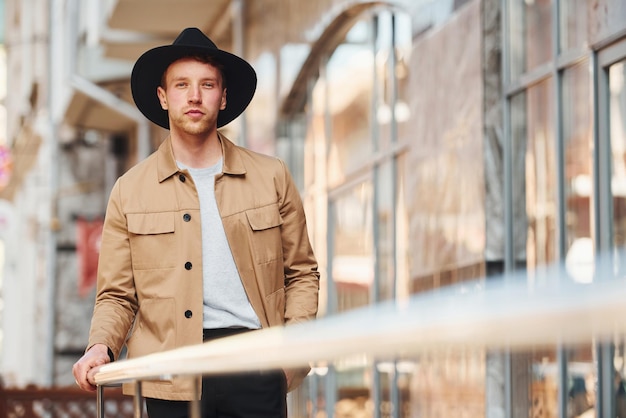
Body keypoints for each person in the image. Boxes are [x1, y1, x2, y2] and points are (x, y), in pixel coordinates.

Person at [72, 27, 320, 418]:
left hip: (255, 364)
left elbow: (302, 273)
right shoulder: (129, 190)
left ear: (223, 97)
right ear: (163, 96)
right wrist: (99, 346)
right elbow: (117, 296)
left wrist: (294, 350)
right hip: (169, 372)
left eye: (207, 84)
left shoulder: (271, 176)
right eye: (182, 84)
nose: (194, 96)